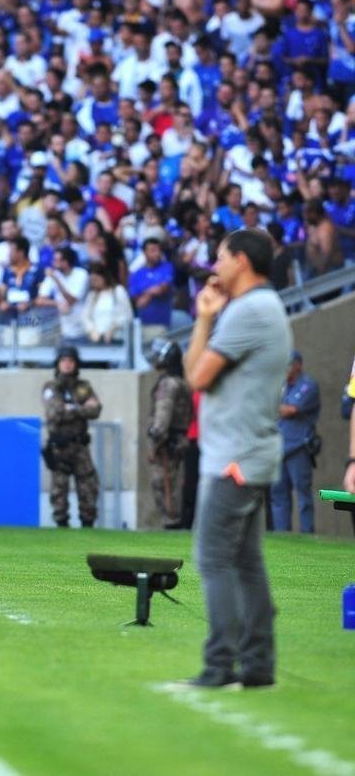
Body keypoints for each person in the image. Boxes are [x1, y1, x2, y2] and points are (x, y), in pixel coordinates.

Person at [179, 227, 291, 690]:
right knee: (246, 563)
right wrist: (208, 316)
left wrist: (205, 320)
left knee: (212, 559)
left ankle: (220, 664)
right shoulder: (261, 306)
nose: (215, 266)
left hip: (235, 458)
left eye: (221, 257)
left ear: (242, 261)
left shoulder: (249, 310)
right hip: (249, 451)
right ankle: (258, 664)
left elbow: (197, 376)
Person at [41, 345, 102, 528]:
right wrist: (81, 408)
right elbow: (54, 412)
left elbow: (96, 410)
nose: (67, 364)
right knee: (59, 491)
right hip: (59, 447)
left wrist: (71, 408)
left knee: (88, 487)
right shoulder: (51, 387)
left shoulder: (84, 386)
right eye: (64, 361)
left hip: (80, 446)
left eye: (71, 361)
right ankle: (62, 525)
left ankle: (88, 525)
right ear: (57, 364)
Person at [270, 351, 320, 533]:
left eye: (289, 364)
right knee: (278, 495)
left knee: (303, 495)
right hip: (279, 448)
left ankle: (307, 534)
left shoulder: (307, 385)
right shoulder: (281, 386)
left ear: (298, 364)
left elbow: (291, 409)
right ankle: (282, 535)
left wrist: (270, 406)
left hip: (299, 447)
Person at [147, 340, 193, 529]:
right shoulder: (180, 381)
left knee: (164, 484)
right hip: (179, 440)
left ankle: (172, 523)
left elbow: (163, 415)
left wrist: (156, 439)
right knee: (173, 484)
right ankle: (175, 521)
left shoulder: (168, 384)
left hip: (167, 443)